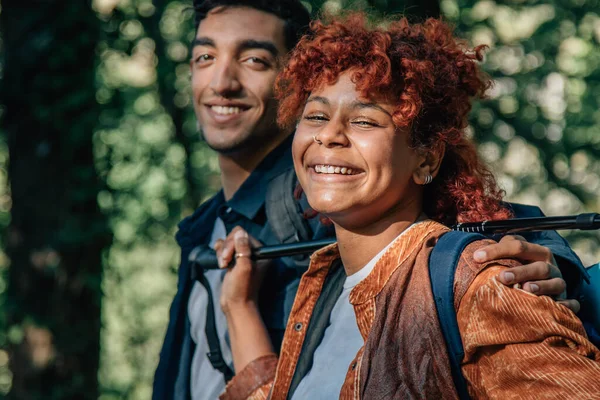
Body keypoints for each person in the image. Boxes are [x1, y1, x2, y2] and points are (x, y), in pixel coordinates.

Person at [153, 2, 585, 399]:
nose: (329, 135)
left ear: (426, 157)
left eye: (364, 120)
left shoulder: (479, 285)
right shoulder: (325, 286)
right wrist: (238, 306)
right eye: (316, 116)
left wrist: (558, 264)